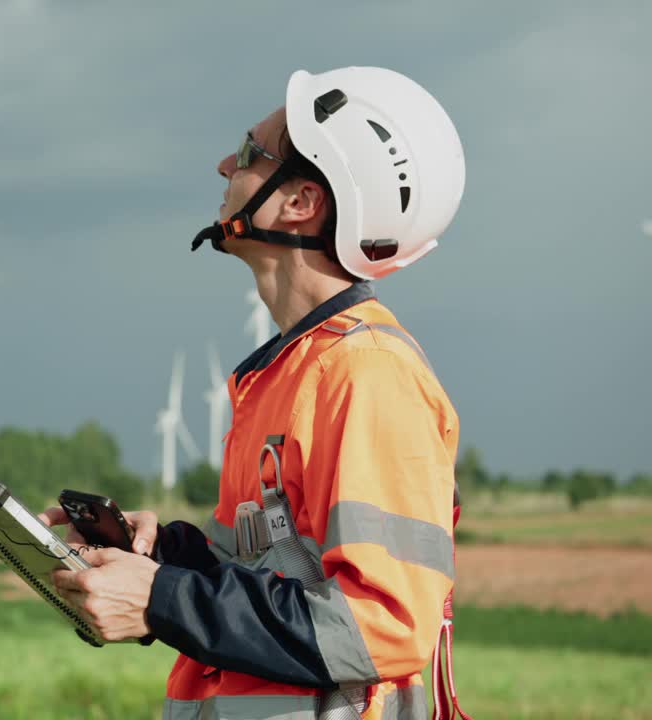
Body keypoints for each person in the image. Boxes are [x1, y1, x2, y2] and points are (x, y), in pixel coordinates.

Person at [41, 66, 468, 720]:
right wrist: (162, 557)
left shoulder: (368, 375)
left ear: (301, 201)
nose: (222, 167)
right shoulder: (284, 375)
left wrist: (161, 599)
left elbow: (383, 625)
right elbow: (268, 584)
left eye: (247, 155)